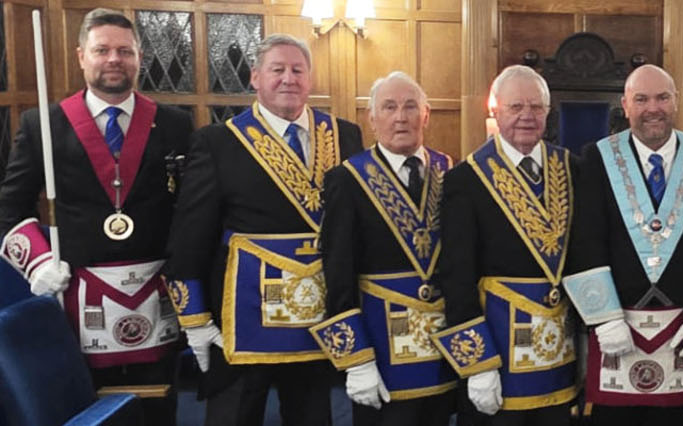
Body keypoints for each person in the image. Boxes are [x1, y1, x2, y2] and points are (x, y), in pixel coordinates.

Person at [0, 9, 193, 425]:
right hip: (79, 298)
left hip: (157, 295)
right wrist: (37, 262)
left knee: (159, 409)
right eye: (102, 50)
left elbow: (192, 210)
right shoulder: (43, 126)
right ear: (81, 56)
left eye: (125, 51)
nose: (113, 59)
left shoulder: (175, 124)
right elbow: (9, 210)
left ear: (139, 57)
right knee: (91, 412)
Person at [164, 33, 364, 426]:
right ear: (255, 77)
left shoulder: (345, 135)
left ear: (310, 78)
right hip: (243, 317)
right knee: (234, 415)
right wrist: (195, 319)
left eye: (297, 70)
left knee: (312, 416)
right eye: (278, 70)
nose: (288, 79)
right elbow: (191, 235)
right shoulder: (219, 140)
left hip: (319, 314)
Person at [562, 64, 683, 426]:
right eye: (642, 99)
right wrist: (605, 319)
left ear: (676, 102)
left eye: (662, 98)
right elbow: (586, 240)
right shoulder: (597, 157)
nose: (653, 107)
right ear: (625, 105)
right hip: (615, 326)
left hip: (681, 329)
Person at [431, 65, 577, 426]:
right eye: (516, 107)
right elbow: (457, 275)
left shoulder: (573, 168)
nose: (527, 116)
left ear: (548, 111)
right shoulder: (465, 179)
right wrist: (477, 364)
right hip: (497, 352)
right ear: (495, 110)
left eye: (536, 107)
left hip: (562, 351)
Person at [311, 71, 458, 426]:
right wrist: (356, 359)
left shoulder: (451, 171)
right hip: (381, 349)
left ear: (426, 115)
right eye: (389, 107)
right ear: (372, 119)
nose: (401, 117)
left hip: (443, 346)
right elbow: (338, 274)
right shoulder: (347, 179)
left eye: (410, 107)